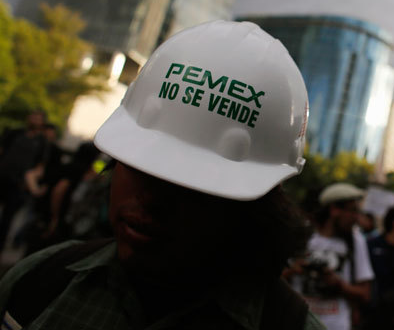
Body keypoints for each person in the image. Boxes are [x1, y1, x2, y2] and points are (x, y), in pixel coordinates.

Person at [0, 20, 325, 330]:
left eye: (193, 183)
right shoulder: (41, 282)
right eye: (143, 164)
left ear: (258, 204)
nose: (151, 198)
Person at [290, 182, 374, 330]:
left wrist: (338, 284)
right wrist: (293, 269)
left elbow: (365, 293)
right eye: (353, 211)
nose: (357, 218)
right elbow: (273, 279)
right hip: (296, 322)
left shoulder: (356, 241)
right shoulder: (303, 235)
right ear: (334, 210)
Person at [0, 109, 49, 252]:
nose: (34, 120)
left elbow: (40, 167)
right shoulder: (14, 133)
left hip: (18, 184)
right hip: (2, 176)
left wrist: (32, 184)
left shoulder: (42, 142)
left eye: (38, 118)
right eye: (33, 117)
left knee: (7, 219)